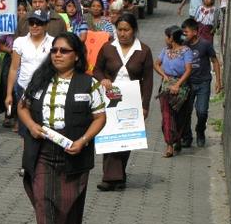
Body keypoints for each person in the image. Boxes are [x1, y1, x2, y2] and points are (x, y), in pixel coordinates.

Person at [19, 32, 106, 224]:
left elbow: (100, 117)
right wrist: (31, 126)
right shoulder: (39, 80)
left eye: (64, 51)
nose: (57, 55)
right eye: (54, 50)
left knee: (67, 203)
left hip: (73, 153)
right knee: (43, 199)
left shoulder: (89, 83)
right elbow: (23, 108)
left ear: (76, 56)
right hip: (41, 151)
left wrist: (84, 140)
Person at [94, 14, 154, 191]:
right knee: (109, 136)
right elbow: (96, 70)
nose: (122, 33)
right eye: (119, 29)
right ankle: (110, 178)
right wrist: (103, 79)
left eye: (126, 30)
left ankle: (119, 176)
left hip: (131, 100)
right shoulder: (107, 48)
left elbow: (148, 80)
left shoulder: (144, 50)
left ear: (134, 30)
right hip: (109, 99)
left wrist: (145, 105)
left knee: (125, 139)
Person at [5, 9, 55, 129]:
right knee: (25, 126)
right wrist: (8, 94)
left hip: (45, 88)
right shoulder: (20, 42)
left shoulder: (53, 42)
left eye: (39, 23)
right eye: (31, 22)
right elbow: (13, 68)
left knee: (43, 123)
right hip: (23, 88)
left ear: (46, 25)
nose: (34, 26)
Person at [180, 18, 223, 148]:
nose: (184, 34)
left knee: (202, 111)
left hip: (204, 82)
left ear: (194, 32)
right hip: (188, 83)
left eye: (186, 32)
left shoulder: (205, 44)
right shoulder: (183, 45)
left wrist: (218, 82)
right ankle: (187, 137)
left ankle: (200, 132)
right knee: (186, 111)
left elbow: (215, 61)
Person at [153, 26, 193, 158]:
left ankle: (178, 138)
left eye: (166, 36)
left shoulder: (186, 51)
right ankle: (169, 144)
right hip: (166, 88)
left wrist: (177, 84)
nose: (165, 39)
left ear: (172, 38)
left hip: (182, 87)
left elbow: (188, 70)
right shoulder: (165, 51)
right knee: (166, 115)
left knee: (180, 116)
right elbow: (156, 64)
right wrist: (164, 75)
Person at [0, 0, 29, 128]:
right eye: (18, 10)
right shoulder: (9, 26)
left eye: (23, 10)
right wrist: (10, 50)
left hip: (25, 61)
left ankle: (18, 118)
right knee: (6, 86)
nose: (21, 13)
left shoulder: (31, 25)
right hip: (11, 59)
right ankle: (8, 114)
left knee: (20, 88)